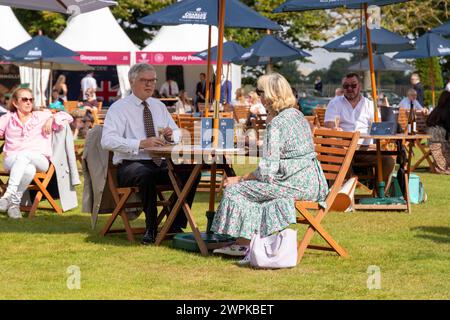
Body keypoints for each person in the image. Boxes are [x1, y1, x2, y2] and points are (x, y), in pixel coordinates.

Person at [211, 73, 329, 260]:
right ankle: (247, 243)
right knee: (252, 191)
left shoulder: (277, 123)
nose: (258, 96)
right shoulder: (297, 115)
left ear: (272, 94)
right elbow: (289, 151)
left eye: (260, 92)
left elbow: (266, 172)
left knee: (237, 190)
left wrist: (239, 178)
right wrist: (260, 147)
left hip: (294, 185)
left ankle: (243, 244)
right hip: (313, 183)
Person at [101, 63, 200, 245]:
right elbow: (107, 140)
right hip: (130, 165)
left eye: (152, 81)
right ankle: (151, 228)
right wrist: (140, 143)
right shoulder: (119, 108)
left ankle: (174, 224)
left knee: (192, 171)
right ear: (132, 82)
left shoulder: (159, 106)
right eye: (144, 80)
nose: (149, 85)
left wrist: (172, 135)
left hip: (160, 162)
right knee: (146, 174)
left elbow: (178, 134)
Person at [0, 87, 72, 219]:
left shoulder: (41, 115)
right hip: (13, 160)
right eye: (25, 99)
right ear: (15, 103)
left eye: (31, 100)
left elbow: (68, 117)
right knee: (28, 169)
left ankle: (8, 195)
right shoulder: (7, 118)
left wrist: (51, 119)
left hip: (40, 160)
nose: (29, 102)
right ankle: (14, 205)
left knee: (25, 154)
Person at [324, 73, 395, 182]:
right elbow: (329, 124)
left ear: (360, 86)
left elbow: (378, 125)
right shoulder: (335, 103)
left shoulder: (369, 104)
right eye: (346, 86)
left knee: (388, 161)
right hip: (343, 149)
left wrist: (376, 127)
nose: (349, 89)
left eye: (353, 85)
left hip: (365, 150)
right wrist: (335, 129)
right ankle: (339, 195)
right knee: (336, 158)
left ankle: (379, 193)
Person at [426, 91, 450, 174]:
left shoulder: (436, 110)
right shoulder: (447, 111)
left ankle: (438, 166)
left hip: (433, 137)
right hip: (438, 138)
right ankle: (440, 168)